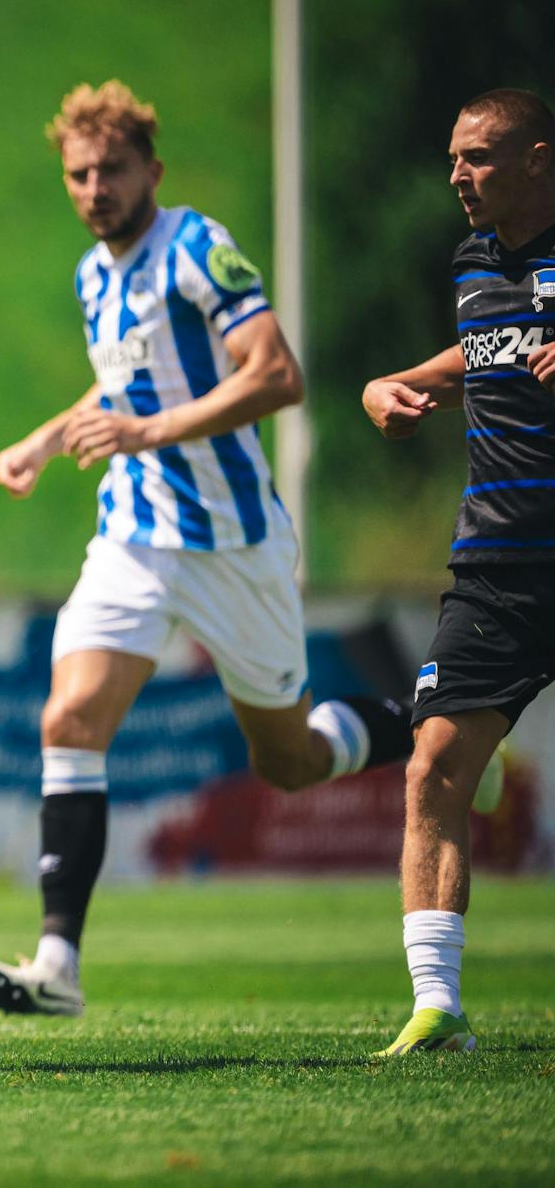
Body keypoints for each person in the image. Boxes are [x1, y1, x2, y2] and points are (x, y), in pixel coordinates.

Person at [0, 82, 411, 1018]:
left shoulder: (198, 248)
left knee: (287, 760)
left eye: (113, 171)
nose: (95, 189)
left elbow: (276, 374)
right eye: (79, 174)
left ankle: (435, 719)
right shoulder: (94, 275)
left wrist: (152, 430)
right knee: (69, 719)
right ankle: (57, 965)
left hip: (232, 544)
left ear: (152, 172)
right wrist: (50, 439)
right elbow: (121, 395)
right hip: (132, 535)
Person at [359, 88, 555, 1056]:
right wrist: (391, 381)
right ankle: (435, 1007)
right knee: (432, 764)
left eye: (475, 157)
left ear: (535, 159)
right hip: (495, 566)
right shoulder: (472, 259)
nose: (454, 177)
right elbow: (487, 351)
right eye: (450, 158)